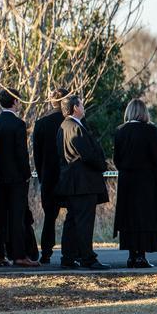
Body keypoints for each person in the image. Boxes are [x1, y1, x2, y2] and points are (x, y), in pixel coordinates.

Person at [113, 98, 157, 268]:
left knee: (129, 218)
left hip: (126, 182)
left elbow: (116, 159)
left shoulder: (120, 131)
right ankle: (141, 257)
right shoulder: (149, 130)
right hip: (146, 181)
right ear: (143, 112)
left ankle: (131, 256)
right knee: (144, 219)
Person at [56, 95, 109, 270]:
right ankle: (87, 258)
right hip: (82, 183)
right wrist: (102, 165)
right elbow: (87, 154)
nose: (84, 107)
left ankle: (68, 257)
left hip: (72, 183)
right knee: (84, 222)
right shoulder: (74, 128)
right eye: (81, 104)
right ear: (75, 108)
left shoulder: (64, 126)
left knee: (72, 221)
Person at [0, 89, 40, 267]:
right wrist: (26, 174)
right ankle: (19, 254)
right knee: (17, 217)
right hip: (16, 178)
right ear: (14, 102)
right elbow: (21, 152)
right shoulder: (18, 124)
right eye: (18, 101)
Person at [33, 88, 68, 263]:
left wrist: (42, 175)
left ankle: (46, 252)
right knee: (74, 215)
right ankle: (71, 252)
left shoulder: (41, 123)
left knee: (49, 217)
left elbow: (37, 156)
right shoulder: (71, 121)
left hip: (48, 176)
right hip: (68, 176)